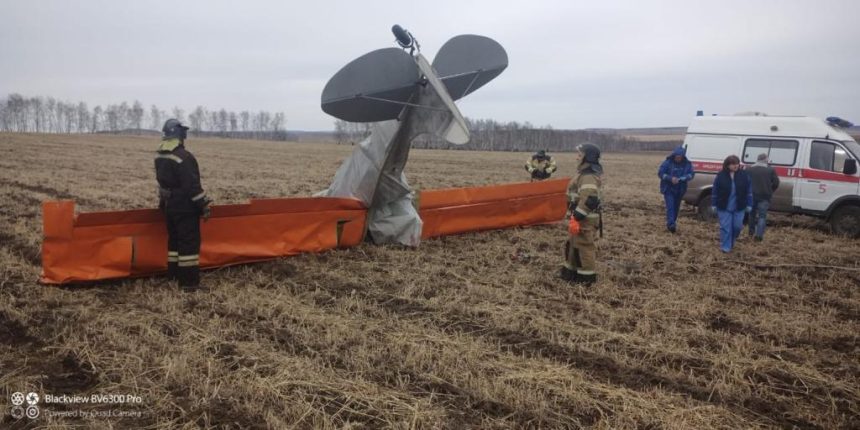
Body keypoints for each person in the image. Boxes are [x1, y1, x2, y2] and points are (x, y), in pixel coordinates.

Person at [155, 119, 211, 292]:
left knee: (174, 243)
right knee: (188, 245)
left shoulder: (160, 155)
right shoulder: (184, 157)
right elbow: (192, 187)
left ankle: (173, 276)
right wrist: (203, 205)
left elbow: (162, 184)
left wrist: (162, 203)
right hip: (185, 208)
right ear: (178, 134)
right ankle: (189, 284)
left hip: (170, 206)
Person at [561, 144, 603, 285]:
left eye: (579, 155)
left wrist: (577, 217)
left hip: (585, 219)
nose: (576, 157)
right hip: (578, 217)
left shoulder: (589, 177)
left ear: (587, 158)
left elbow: (589, 200)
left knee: (584, 247)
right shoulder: (582, 174)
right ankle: (571, 274)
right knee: (573, 244)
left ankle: (586, 279)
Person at [711, 155, 752, 253]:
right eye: (733, 164)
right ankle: (725, 247)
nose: (736, 165)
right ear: (727, 165)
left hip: (739, 206)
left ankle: (731, 241)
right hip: (724, 206)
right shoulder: (720, 175)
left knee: (737, 227)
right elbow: (715, 190)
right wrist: (713, 204)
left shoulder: (744, 175)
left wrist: (750, 204)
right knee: (725, 228)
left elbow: (749, 191)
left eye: (737, 163)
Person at [657, 146, 694, 233]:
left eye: (679, 157)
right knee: (670, 206)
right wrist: (670, 179)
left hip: (680, 189)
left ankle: (672, 222)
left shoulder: (687, 164)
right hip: (668, 188)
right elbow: (660, 173)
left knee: (676, 207)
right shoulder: (668, 162)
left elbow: (691, 174)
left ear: (682, 157)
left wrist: (682, 178)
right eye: (676, 157)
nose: (678, 159)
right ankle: (671, 224)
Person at [746, 153, 780, 241]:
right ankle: (759, 236)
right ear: (765, 159)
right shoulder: (770, 170)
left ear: (757, 159)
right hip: (765, 196)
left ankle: (750, 233)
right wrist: (770, 191)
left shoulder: (749, 169)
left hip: (751, 196)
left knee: (751, 215)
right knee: (762, 216)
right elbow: (776, 183)